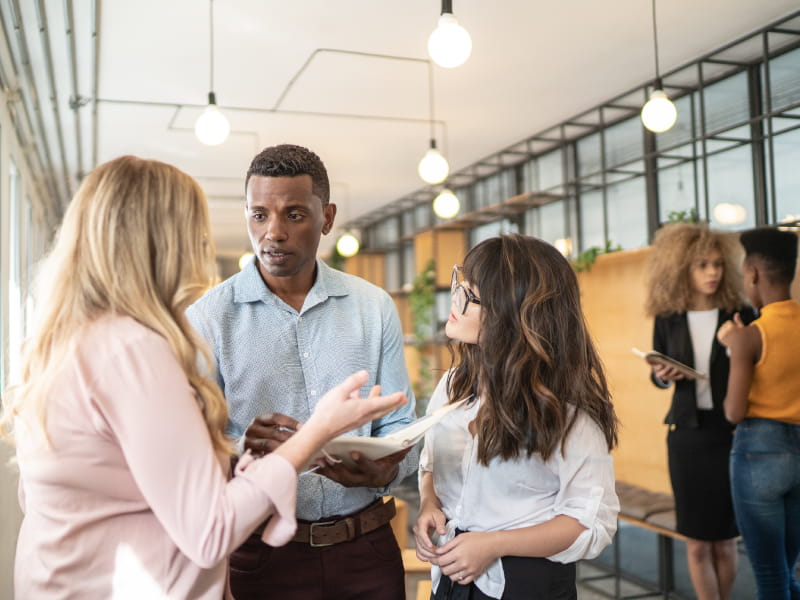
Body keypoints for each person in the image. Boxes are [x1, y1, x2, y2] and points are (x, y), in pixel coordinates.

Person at [0, 156, 407, 599]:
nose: (201, 242)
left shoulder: (61, 343)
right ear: (162, 240)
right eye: (194, 228)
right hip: (232, 559)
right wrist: (316, 432)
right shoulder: (141, 346)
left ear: (325, 218)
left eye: (293, 214)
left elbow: (68, 495)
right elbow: (207, 526)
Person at [186, 144, 417, 600]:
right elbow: (192, 450)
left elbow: (401, 426)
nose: (273, 233)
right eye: (259, 215)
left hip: (367, 550)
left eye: (294, 215)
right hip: (262, 554)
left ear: (327, 217)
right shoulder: (208, 319)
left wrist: (385, 471)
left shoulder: (373, 307)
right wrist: (240, 450)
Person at [413, 234, 619, 600]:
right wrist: (430, 504)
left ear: (512, 315)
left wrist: (493, 544)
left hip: (526, 582)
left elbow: (590, 521)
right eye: (459, 284)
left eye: (470, 296)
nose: (455, 300)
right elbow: (432, 462)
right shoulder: (453, 386)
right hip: (450, 575)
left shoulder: (567, 414)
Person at [644, 221, 753, 600]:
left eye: (717, 264)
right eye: (701, 265)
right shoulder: (668, 317)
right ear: (682, 269)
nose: (712, 272)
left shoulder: (740, 313)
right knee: (695, 543)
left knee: (724, 541)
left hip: (730, 435)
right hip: (687, 437)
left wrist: (732, 347)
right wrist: (663, 374)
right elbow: (658, 378)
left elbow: (757, 370)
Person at [716, 227, 800, 600]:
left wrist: (734, 346)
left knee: (769, 575)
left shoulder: (750, 335)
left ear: (752, 274)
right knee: (786, 567)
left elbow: (733, 411)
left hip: (760, 453)